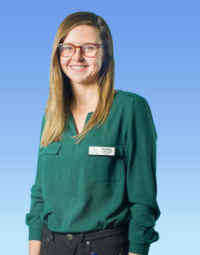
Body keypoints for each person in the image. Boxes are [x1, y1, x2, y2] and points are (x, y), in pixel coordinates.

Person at [25, 11, 161, 255]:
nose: (76, 56)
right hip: (50, 246)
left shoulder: (130, 109)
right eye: (67, 47)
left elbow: (143, 201)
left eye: (89, 47)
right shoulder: (52, 115)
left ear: (105, 53)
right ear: (58, 54)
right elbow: (39, 195)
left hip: (105, 246)